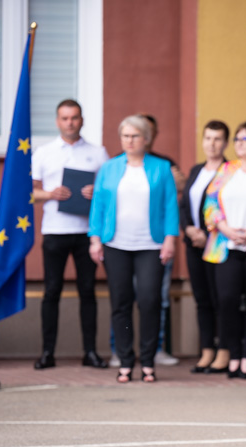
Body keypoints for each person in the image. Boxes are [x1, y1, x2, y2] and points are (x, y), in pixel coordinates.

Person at [89, 115, 179, 383]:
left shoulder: (161, 168)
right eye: (125, 136)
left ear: (146, 139)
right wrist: (95, 238)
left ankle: (148, 361)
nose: (129, 141)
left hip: (150, 244)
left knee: (150, 301)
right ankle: (125, 360)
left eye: (135, 136)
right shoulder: (109, 168)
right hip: (116, 244)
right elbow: (99, 205)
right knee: (121, 303)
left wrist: (170, 238)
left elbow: (170, 205)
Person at [31, 99, 109, 370]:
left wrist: (95, 192)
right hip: (54, 231)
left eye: (74, 117)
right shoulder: (44, 152)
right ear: (57, 121)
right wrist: (49, 194)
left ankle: (90, 352)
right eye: (64, 118)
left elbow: (110, 192)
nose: (70, 123)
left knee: (88, 292)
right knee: (51, 291)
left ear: (82, 120)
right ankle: (47, 353)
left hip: (88, 234)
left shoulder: (98, 153)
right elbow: (27, 193)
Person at [203, 121, 246, 379]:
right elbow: (210, 203)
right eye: (237, 140)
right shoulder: (227, 169)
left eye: (244, 139)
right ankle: (233, 353)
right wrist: (225, 228)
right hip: (226, 244)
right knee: (227, 300)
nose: (239, 144)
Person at [179, 120, 231, 374]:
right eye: (208, 138)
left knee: (220, 298)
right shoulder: (197, 170)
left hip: (218, 245)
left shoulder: (230, 171)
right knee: (202, 299)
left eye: (218, 139)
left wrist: (208, 234)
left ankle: (224, 351)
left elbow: (226, 209)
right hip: (194, 244)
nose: (212, 144)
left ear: (225, 143)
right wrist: (189, 229)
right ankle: (207, 350)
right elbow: (185, 205)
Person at [143, 114, 184, 367]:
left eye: (148, 132)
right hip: (126, 243)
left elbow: (176, 200)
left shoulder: (165, 163)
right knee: (127, 296)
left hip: (158, 241)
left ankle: (156, 348)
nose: (141, 138)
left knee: (158, 296)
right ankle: (120, 350)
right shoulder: (119, 164)